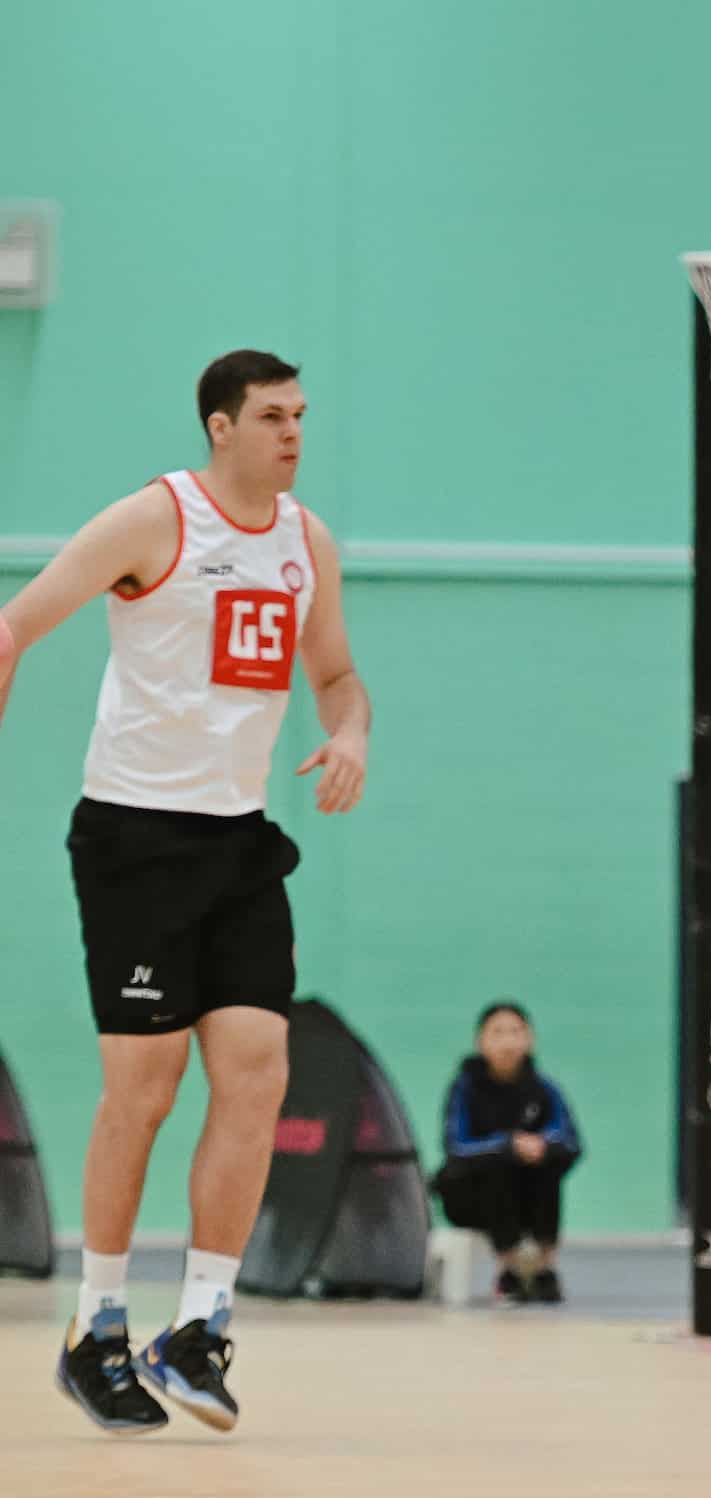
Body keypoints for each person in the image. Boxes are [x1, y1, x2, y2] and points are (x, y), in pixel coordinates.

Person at [1, 350, 370, 1435]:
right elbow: (16, 623)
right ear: (221, 426)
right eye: (272, 416)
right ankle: (95, 1324)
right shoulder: (152, 521)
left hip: (240, 841)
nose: (293, 434)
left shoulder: (308, 544)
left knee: (258, 1073)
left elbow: (337, 672)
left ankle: (201, 1325)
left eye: (302, 415)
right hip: (133, 840)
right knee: (147, 1090)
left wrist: (350, 729)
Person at [431, 1003, 582, 1304]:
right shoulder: (465, 1089)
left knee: (546, 1167)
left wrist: (542, 1147)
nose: (508, 1041)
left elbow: (570, 1142)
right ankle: (509, 1270)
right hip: (471, 1197)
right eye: (498, 1032)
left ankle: (543, 1269)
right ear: (481, 1041)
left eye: (516, 1032)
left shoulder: (545, 1090)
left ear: (530, 1040)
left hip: (527, 1196)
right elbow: (456, 1147)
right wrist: (507, 1145)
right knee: (498, 1167)